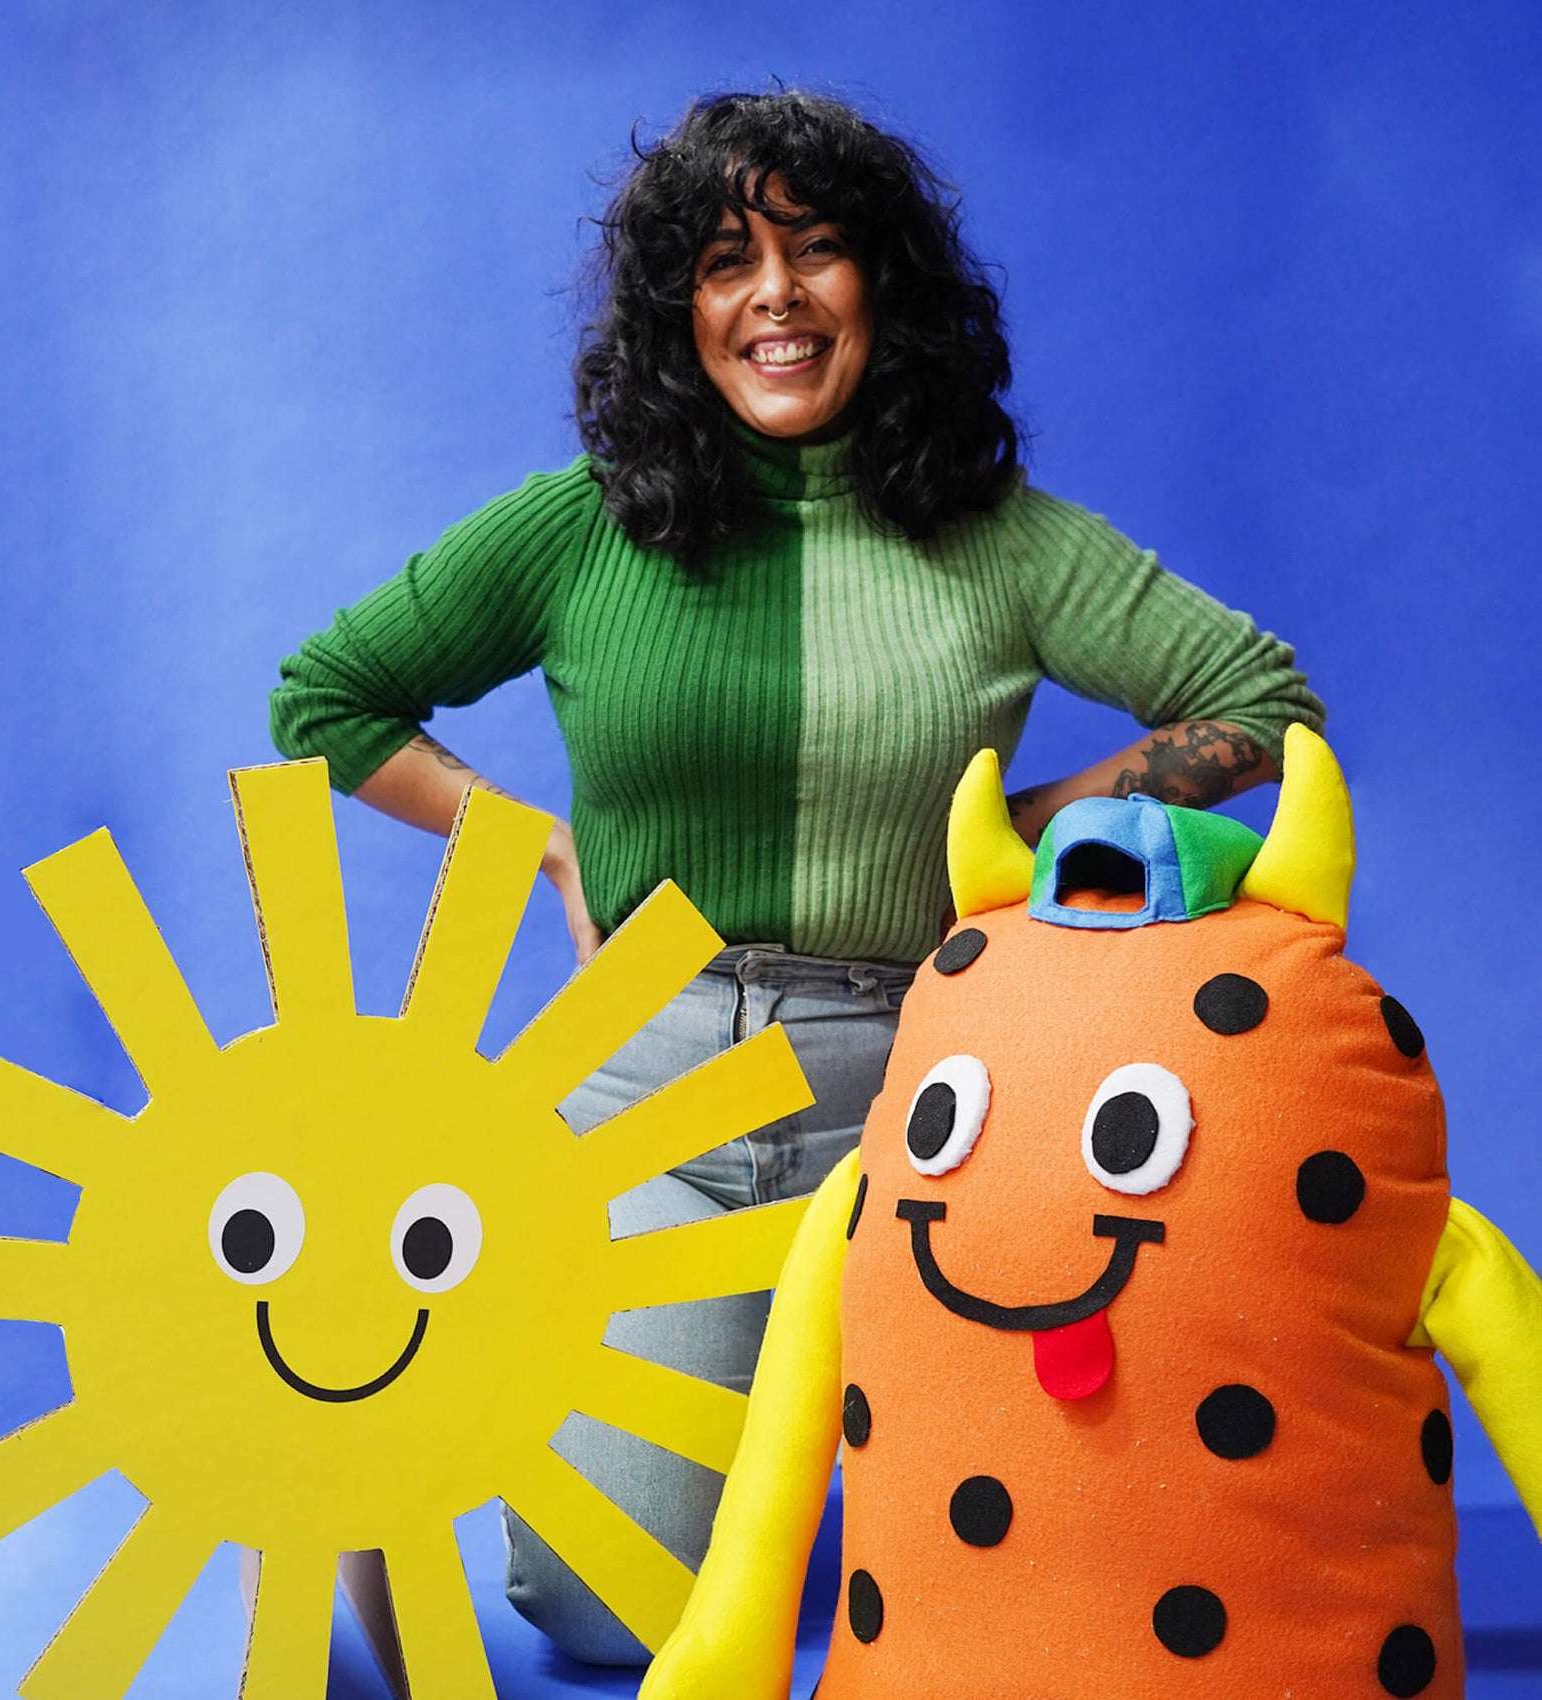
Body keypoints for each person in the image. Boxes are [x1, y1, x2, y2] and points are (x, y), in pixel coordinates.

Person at [268, 89, 1323, 1667]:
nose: (773, 293)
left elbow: (1265, 710)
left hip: (927, 1107)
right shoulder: (583, 534)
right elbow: (325, 703)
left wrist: (1023, 828)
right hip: (647, 1103)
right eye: (723, 260)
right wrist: (539, 844)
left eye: (817, 250)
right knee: (607, 1615)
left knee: (1018, 1594)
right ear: (676, 313)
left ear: (882, 290)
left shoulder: (998, 539)